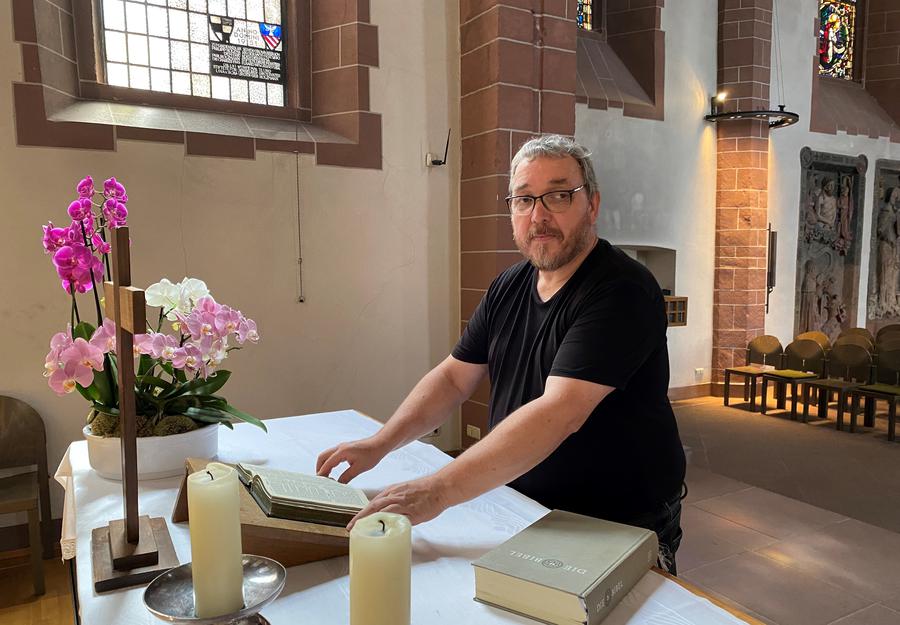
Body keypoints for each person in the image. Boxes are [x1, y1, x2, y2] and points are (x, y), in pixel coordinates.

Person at [316, 135, 687, 573]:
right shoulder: (509, 285)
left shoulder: (621, 289)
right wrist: (381, 443)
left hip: (615, 519)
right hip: (524, 502)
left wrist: (437, 491)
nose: (539, 215)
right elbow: (454, 378)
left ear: (592, 204)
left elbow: (560, 411)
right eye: (524, 199)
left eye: (559, 195)